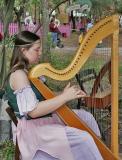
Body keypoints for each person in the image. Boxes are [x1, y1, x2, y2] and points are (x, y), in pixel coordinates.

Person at [5, 31, 103, 160]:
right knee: (85, 139)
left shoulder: (27, 71)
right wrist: (64, 97)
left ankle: (98, 153)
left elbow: (39, 98)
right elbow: (33, 112)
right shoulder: (19, 75)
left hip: (41, 120)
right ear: (23, 51)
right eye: (37, 50)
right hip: (33, 128)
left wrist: (63, 94)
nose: (40, 53)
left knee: (87, 117)